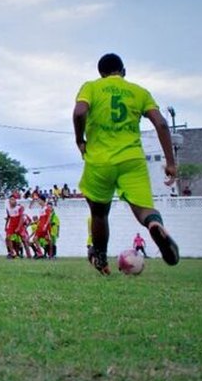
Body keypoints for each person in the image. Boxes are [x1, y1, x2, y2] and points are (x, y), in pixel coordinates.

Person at [73, 53, 180, 275]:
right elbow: (160, 123)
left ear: (101, 73)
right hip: (132, 159)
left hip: (99, 160)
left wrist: (80, 140)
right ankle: (154, 225)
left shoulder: (92, 87)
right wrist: (170, 162)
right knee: (144, 209)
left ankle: (101, 257)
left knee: (99, 212)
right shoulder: (139, 92)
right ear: (123, 71)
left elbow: (80, 112)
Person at [4, 194, 24, 259]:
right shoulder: (8, 208)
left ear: (15, 201)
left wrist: (18, 227)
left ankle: (26, 254)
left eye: (13, 199)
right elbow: (8, 217)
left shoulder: (19, 207)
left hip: (18, 223)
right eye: (10, 200)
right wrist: (5, 225)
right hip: (12, 223)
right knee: (7, 238)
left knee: (24, 240)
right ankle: (12, 252)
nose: (11, 201)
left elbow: (21, 218)